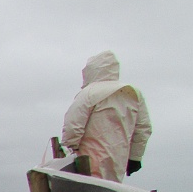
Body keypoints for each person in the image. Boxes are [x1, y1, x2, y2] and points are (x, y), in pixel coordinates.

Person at [62, 50, 153, 183]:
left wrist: (70, 147)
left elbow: (73, 126)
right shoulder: (133, 93)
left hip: (87, 162)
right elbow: (143, 128)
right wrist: (135, 157)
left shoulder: (88, 93)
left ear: (90, 70)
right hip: (118, 161)